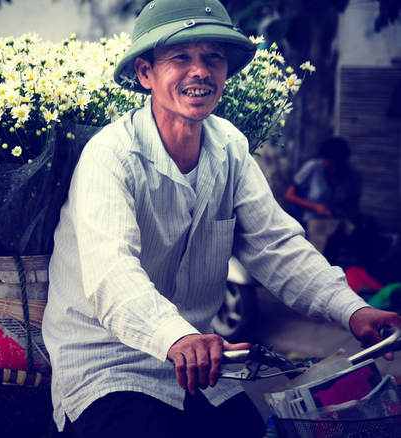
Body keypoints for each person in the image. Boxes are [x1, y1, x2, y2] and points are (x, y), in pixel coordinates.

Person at [41, 1, 401, 437]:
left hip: (200, 367)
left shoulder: (230, 147)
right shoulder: (110, 156)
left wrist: (353, 309)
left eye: (213, 57)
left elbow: (277, 247)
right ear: (145, 74)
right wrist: (175, 336)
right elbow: (112, 272)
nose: (200, 71)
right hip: (109, 363)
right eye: (180, 58)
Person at [284, 136, 361, 227]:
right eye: (330, 165)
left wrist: (342, 211)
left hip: (339, 224)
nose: (333, 169)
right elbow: (289, 195)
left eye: (336, 165)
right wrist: (316, 207)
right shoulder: (313, 167)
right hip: (312, 222)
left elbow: (354, 205)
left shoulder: (353, 174)